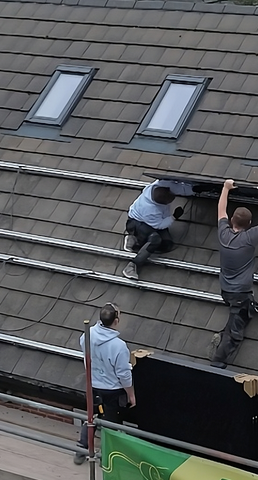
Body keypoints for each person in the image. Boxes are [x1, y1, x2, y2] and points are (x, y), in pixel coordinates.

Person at [210, 180, 258, 368]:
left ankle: (242, 312)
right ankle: (219, 360)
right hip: (239, 294)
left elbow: (221, 209)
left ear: (232, 220)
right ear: (250, 224)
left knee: (240, 310)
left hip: (225, 289)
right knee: (235, 330)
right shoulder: (249, 238)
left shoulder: (223, 233)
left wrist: (225, 189)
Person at [74, 302, 135, 464]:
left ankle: (81, 449)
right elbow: (123, 374)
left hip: (93, 386)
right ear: (116, 320)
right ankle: (106, 456)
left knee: (91, 417)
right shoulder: (119, 346)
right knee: (111, 423)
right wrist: (131, 394)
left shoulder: (87, 335)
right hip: (112, 391)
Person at [122, 179, 194, 280]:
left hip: (150, 220)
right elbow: (159, 225)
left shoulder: (159, 185)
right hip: (136, 223)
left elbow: (176, 187)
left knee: (167, 245)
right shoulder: (151, 210)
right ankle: (132, 265)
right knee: (155, 240)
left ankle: (137, 240)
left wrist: (194, 189)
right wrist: (174, 217)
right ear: (162, 202)